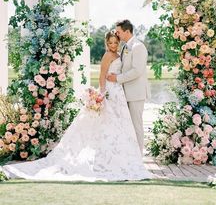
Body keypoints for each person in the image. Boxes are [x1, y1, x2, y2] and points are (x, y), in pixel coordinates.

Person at [2, 31, 152, 181]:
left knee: (121, 126)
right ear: (106, 43)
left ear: (118, 42)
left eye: (115, 42)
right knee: (107, 125)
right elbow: (101, 76)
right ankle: (105, 159)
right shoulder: (107, 56)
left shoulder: (120, 54)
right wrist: (102, 94)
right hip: (109, 93)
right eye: (110, 43)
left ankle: (121, 157)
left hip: (119, 93)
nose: (113, 45)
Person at [107, 20, 150, 155]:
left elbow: (137, 71)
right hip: (126, 93)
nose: (117, 34)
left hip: (136, 93)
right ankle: (131, 155)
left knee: (136, 125)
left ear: (127, 31)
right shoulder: (126, 47)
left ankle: (139, 156)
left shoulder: (138, 46)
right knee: (129, 125)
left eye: (118, 32)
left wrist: (117, 79)